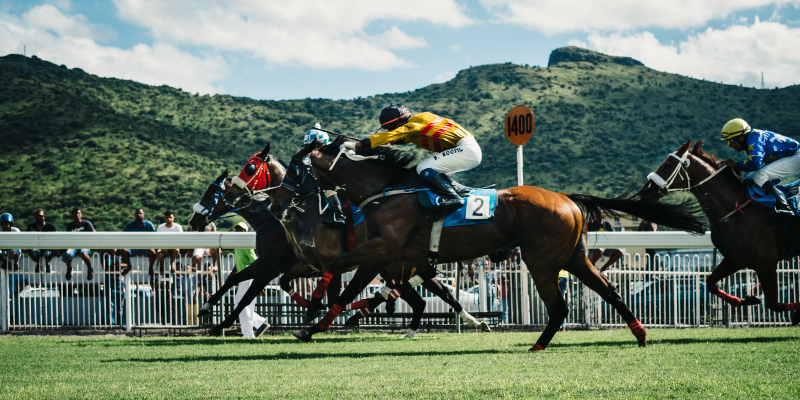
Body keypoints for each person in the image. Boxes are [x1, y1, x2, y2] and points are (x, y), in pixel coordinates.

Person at [350, 104, 482, 210]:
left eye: (390, 127)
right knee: (430, 170)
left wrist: (358, 145)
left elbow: (396, 134)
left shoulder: (417, 121)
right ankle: (458, 189)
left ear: (399, 121)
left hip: (466, 149)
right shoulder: (417, 126)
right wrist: (397, 141)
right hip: (466, 149)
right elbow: (406, 137)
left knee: (423, 167)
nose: (390, 131)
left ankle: (454, 198)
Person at [722, 118, 800, 215]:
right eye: (727, 142)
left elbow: (754, 164)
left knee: (759, 175)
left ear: (741, 137)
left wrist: (735, 164)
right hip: (791, 157)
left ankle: (784, 205)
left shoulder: (755, 139)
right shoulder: (751, 140)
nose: (730, 145)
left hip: (797, 156)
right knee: (749, 178)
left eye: (731, 141)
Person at [230, 221, 269, 337]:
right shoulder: (238, 246)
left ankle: (248, 334)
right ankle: (260, 323)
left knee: (243, 307)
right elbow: (238, 263)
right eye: (236, 229)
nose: (237, 231)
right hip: (244, 279)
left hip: (249, 278)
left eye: (240, 229)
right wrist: (232, 275)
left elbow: (256, 263)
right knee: (239, 306)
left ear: (245, 231)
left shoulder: (246, 245)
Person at [304, 123, 345, 227]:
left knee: (328, 189)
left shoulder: (333, 151)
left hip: (338, 181)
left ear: (320, 144)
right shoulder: (310, 155)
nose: (311, 149)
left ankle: (339, 216)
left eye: (314, 146)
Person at [119, 208, 157, 276]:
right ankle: (129, 266)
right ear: (135, 215)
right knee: (123, 251)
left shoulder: (149, 224)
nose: (138, 215)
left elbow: (155, 235)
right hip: (132, 248)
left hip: (145, 247)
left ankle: (150, 267)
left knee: (152, 251)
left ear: (143, 215)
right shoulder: (130, 225)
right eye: (137, 213)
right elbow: (123, 235)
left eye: (140, 213)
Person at [62, 207, 95, 281]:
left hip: (85, 244)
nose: (77, 215)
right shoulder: (70, 225)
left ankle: (90, 269)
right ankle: (69, 269)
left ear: (81, 215)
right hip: (74, 245)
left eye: (78, 213)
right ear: (72, 215)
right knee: (68, 254)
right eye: (75, 213)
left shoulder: (87, 223)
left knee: (83, 253)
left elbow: (94, 233)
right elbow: (67, 237)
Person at [25, 209, 57, 273]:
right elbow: (27, 239)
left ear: (44, 217)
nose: (39, 217)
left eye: (41, 216)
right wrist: (28, 250)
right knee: (33, 254)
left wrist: (56, 249)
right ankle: (39, 264)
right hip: (36, 246)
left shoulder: (51, 226)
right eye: (37, 216)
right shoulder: (31, 227)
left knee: (48, 254)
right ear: (35, 217)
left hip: (48, 246)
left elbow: (56, 237)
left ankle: (46, 264)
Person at [155, 210, 182, 276]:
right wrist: (163, 247)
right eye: (167, 217)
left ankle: (172, 262)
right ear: (165, 218)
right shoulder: (160, 227)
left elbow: (180, 240)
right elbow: (158, 240)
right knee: (159, 254)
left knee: (176, 249)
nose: (168, 219)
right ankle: (161, 266)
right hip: (163, 248)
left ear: (173, 218)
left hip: (174, 247)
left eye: (170, 217)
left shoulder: (178, 227)